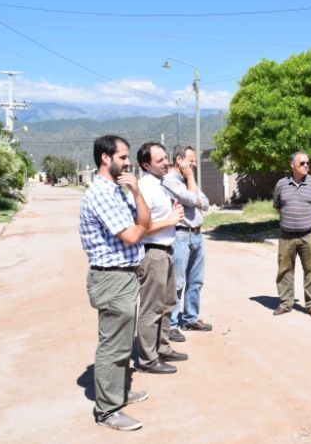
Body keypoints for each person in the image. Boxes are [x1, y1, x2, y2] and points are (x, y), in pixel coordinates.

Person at [79, 135, 151, 431]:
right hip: (112, 277)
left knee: (122, 341)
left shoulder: (118, 191)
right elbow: (133, 234)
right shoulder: (101, 194)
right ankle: (107, 410)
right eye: (122, 157)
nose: (128, 162)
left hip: (124, 275)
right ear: (105, 158)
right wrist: (141, 226)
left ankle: (117, 392)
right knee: (113, 345)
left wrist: (136, 192)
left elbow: (144, 222)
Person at [135, 141, 187, 374]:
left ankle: (163, 348)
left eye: (166, 158)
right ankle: (148, 359)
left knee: (167, 303)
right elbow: (140, 228)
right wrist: (170, 220)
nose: (166, 162)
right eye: (160, 160)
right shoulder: (144, 188)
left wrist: (173, 214)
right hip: (153, 252)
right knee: (152, 308)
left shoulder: (159, 185)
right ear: (146, 165)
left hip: (166, 250)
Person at [162, 145, 212, 343]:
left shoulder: (187, 180)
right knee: (177, 282)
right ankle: (172, 325)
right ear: (179, 160)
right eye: (191, 161)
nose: (194, 165)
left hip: (197, 234)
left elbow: (205, 203)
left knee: (196, 280)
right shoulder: (170, 181)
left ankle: (190, 318)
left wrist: (193, 193)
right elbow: (192, 199)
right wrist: (191, 182)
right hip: (181, 235)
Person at [271, 151, 311, 317]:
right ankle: (285, 303)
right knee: (284, 270)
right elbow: (278, 206)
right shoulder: (281, 184)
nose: (306, 165)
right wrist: (291, 219)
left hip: (309, 234)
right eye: (302, 163)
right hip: (286, 235)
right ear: (292, 165)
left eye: (307, 163)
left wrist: (310, 219)